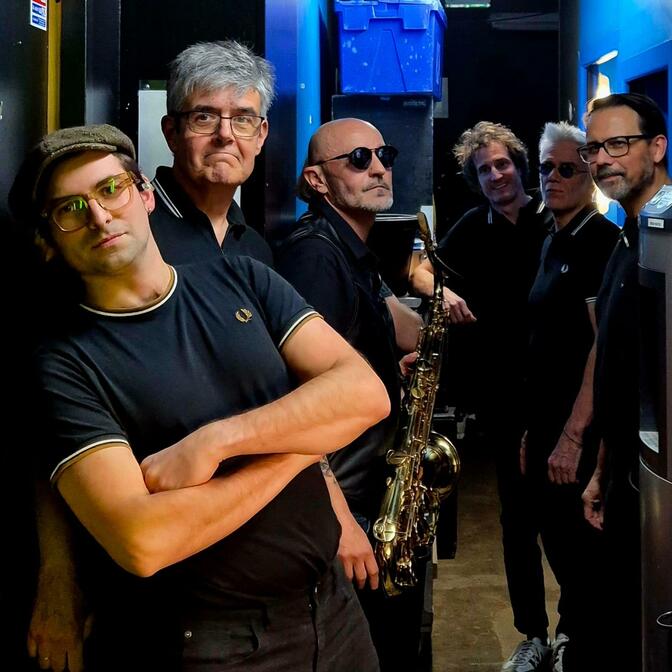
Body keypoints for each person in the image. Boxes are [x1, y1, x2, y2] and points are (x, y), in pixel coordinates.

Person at [9, 124, 390, 672]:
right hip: (211, 645)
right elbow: (143, 541)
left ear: (144, 194)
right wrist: (301, 448)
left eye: (110, 189)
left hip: (333, 612)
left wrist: (217, 442)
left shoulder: (241, 276)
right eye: (70, 208)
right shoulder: (64, 363)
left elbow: (366, 394)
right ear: (49, 239)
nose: (99, 216)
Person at [275, 118, 424, 671]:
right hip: (347, 504)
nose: (379, 168)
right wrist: (339, 519)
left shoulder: (349, 249)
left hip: (368, 492)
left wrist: (388, 371)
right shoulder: (316, 256)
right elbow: (301, 398)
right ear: (318, 180)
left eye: (384, 155)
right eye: (359, 159)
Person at [410, 121, 554, 672]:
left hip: (561, 391)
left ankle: (576, 630)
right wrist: (442, 292)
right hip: (505, 397)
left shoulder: (555, 217)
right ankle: (533, 635)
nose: (495, 176)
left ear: (519, 165)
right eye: (484, 169)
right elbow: (417, 269)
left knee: (568, 521)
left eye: (502, 164)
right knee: (517, 519)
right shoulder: (475, 225)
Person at [578, 92, 671, 672]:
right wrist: (603, 469)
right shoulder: (627, 237)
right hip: (629, 477)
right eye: (593, 149)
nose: (602, 160)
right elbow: (622, 373)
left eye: (618, 144)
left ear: (657, 147)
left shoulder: (669, 239)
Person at [521, 122, 618, 672]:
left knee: (581, 549)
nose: (553, 178)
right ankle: (568, 635)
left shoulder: (601, 241)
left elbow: (602, 348)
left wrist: (574, 437)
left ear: (589, 176)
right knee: (554, 537)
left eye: (567, 169)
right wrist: (534, 431)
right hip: (545, 423)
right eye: (546, 168)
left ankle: (579, 645)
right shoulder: (551, 239)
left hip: (576, 430)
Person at [151, 40, 274, 266]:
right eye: (204, 117)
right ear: (171, 133)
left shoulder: (256, 250)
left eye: (243, 119)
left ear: (260, 136)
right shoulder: (133, 232)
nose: (225, 134)